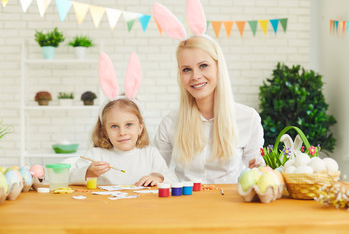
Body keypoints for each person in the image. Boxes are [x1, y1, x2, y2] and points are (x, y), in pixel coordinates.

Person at [154, 35, 265, 184]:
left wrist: (260, 167)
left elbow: (256, 169)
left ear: (218, 67)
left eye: (203, 66)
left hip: (229, 204)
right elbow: (158, 170)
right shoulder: (170, 123)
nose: (196, 76)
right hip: (185, 202)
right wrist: (156, 176)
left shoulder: (248, 118)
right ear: (180, 75)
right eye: (187, 69)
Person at [70, 52, 177, 186]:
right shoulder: (96, 155)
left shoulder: (150, 154)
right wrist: (87, 172)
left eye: (129, 125)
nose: (122, 132)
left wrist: (158, 177)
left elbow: (172, 179)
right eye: (114, 126)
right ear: (105, 131)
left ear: (140, 127)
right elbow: (69, 177)